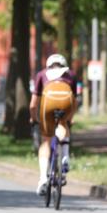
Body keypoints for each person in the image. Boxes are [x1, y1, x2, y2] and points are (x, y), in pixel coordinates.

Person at [29, 54, 78, 196]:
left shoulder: (42, 75)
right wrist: (70, 118)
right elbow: (74, 102)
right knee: (64, 125)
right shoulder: (71, 75)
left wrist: (33, 118)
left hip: (48, 105)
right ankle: (65, 157)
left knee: (46, 140)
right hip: (66, 103)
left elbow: (33, 104)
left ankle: (43, 178)